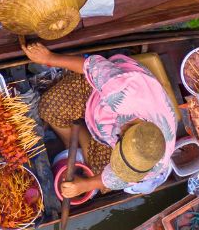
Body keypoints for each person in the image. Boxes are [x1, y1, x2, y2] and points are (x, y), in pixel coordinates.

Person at [25, 40, 177, 199]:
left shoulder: (152, 161)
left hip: (105, 127)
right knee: (49, 107)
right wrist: (49, 58)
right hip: (98, 90)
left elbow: (121, 178)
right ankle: (75, 143)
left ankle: (79, 144)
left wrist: (84, 185)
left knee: (102, 180)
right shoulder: (122, 94)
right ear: (121, 132)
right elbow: (89, 67)